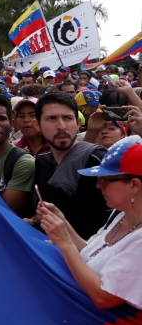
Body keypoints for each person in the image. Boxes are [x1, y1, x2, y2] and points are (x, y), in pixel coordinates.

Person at [40, 136, 142, 309]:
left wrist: (65, 243)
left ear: (134, 185)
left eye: (104, 180)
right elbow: (94, 254)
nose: (98, 186)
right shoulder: (121, 214)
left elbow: (104, 297)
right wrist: (64, 224)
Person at [32, 92, 108, 238]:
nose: (61, 126)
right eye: (51, 118)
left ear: (78, 123)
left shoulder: (98, 160)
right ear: (37, 125)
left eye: (67, 118)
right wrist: (32, 221)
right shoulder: (42, 162)